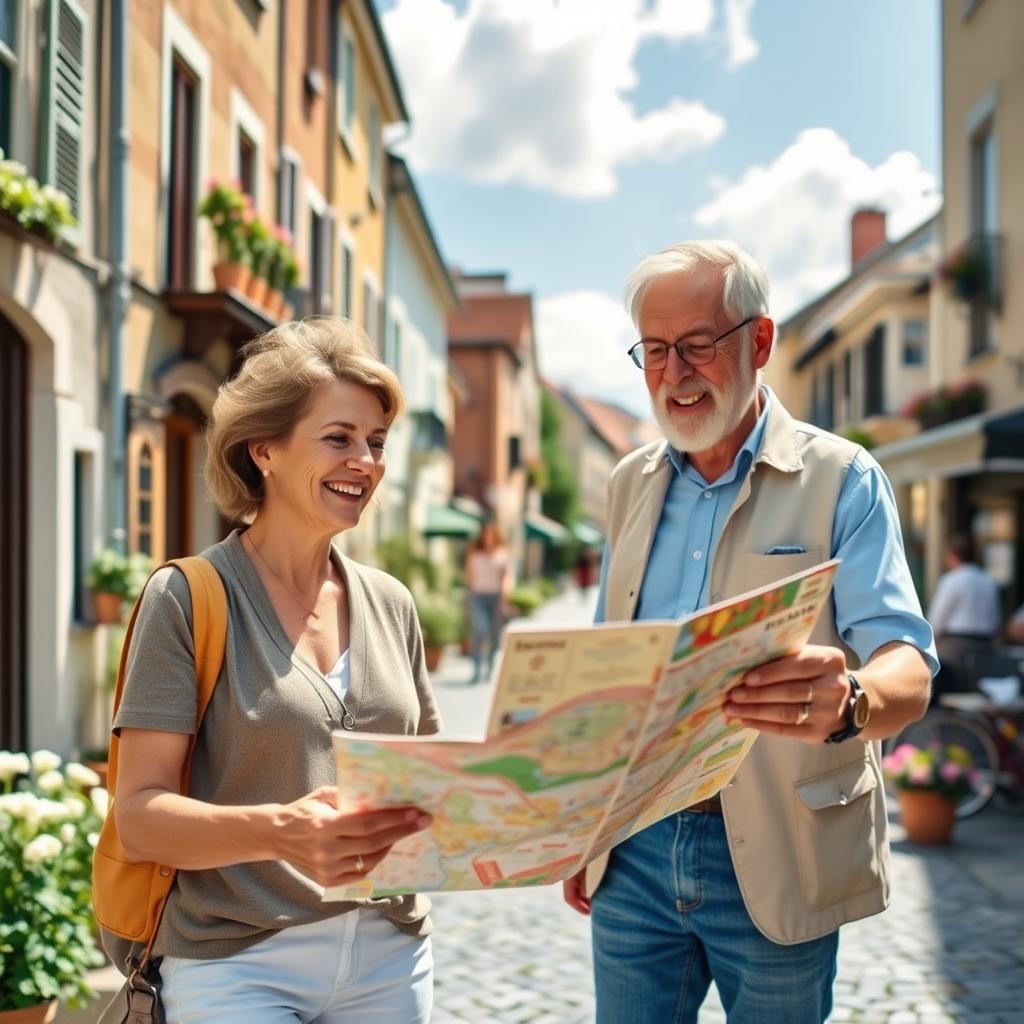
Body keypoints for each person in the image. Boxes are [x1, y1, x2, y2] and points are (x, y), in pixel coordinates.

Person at [562, 241, 936, 1024]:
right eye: (655, 351)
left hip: (778, 854)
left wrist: (854, 700)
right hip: (632, 850)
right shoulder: (629, 482)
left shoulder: (844, 477)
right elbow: (609, 671)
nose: (674, 371)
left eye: (697, 344)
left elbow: (909, 666)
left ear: (758, 342)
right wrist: (581, 822)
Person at [112, 319, 442, 1023]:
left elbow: (436, 780)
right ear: (264, 449)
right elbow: (138, 818)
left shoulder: (392, 604)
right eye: (339, 438)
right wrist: (277, 831)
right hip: (236, 964)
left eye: (376, 443)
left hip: (389, 955)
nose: (366, 461)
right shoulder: (188, 597)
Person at [928, 534, 1000, 693]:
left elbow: (936, 620)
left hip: (954, 647)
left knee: (952, 694)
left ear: (952, 555)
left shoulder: (951, 580)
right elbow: (995, 620)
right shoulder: (988, 580)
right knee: (978, 695)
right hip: (984, 646)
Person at [464, 521, 510, 683]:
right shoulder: (474, 554)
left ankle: (490, 667)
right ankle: (477, 668)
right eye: (486, 535)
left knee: (495, 635)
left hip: (495, 597)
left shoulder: (502, 554)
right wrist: (469, 598)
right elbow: (469, 577)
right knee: (480, 630)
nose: (488, 538)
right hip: (478, 596)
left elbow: (506, 578)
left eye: (492, 535)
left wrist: (504, 599)